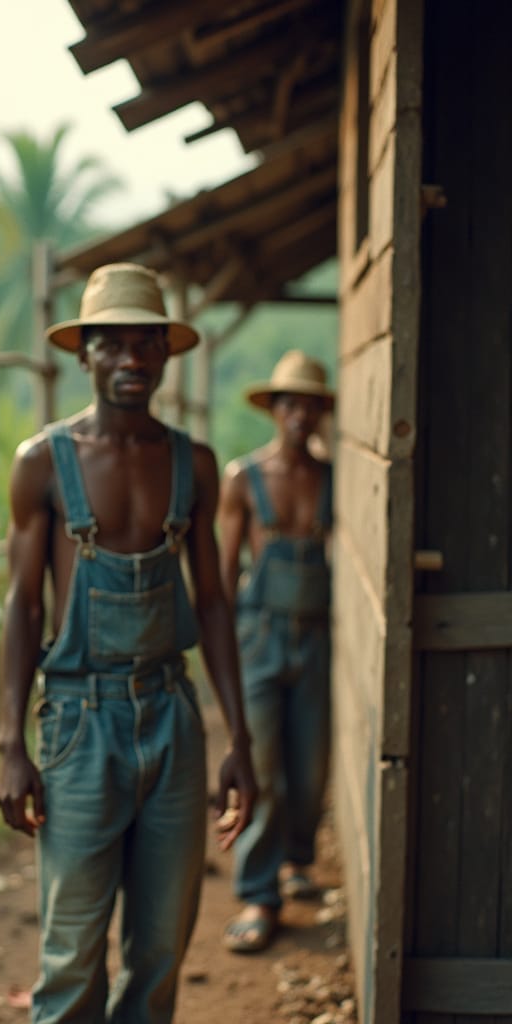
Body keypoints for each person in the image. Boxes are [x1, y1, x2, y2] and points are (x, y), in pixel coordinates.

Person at [0, 262, 256, 1023]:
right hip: (79, 721)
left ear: (167, 356)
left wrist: (237, 737)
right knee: (73, 950)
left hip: (171, 716)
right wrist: (12, 742)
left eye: (147, 346)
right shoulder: (43, 462)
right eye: (113, 345)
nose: (132, 361)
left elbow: (211, 602)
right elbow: (20, 607)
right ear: (85, 354)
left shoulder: (192, 463)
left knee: (161, 949)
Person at [217, 349, 334, 954]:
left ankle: (296, 860)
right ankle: (259, 894)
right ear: (275, 410)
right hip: (259, 635)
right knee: (263, 768)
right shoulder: (245, 477)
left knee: (310, 767)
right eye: (290, 403)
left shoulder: (331, 477)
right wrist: (226, 659)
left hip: (316, 636)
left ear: (320, 413)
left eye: (310, 405)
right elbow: (224, 570)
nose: (300, 414)